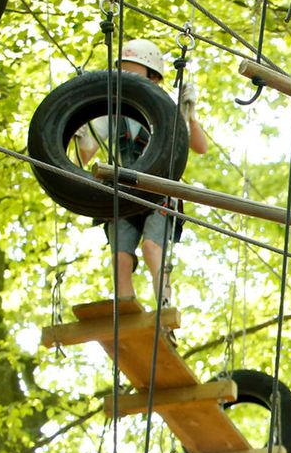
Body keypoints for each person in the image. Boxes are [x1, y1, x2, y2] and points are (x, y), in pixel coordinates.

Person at [74, 38, 209, 307]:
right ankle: (125, 309)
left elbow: (200, 147)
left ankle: (164, 303)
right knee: (120, 259)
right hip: (124, 191)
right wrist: (79, 130)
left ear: (153, 77)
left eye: (132, 74)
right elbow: (84, 157)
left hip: (160, 190)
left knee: (151, 247)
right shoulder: (112, 112)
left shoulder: (167, 109)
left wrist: (189, 116)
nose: (126, 81)